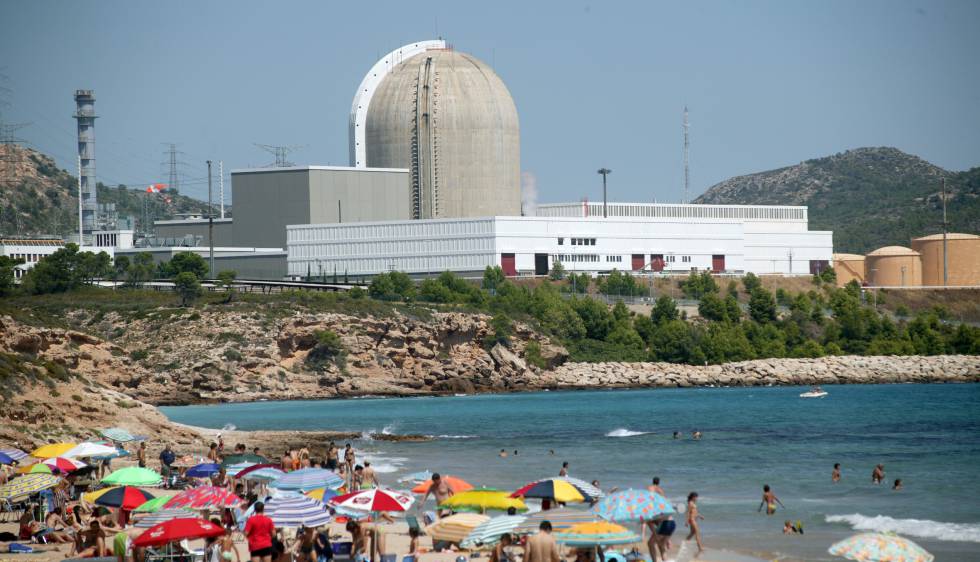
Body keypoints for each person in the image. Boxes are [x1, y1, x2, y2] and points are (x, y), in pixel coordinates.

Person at [684, 492, 704, 557]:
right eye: (696, 497)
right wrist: (686, 521)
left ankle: (685, 543)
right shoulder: (690, 503)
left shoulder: (693, 503)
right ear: (693, 497)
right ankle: (700, 548)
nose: (696, 498)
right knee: (697, 533)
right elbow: (688, 512)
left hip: (694, 519)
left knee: (692, 533)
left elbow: (695, 512)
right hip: (692, 520)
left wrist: (700, 516)